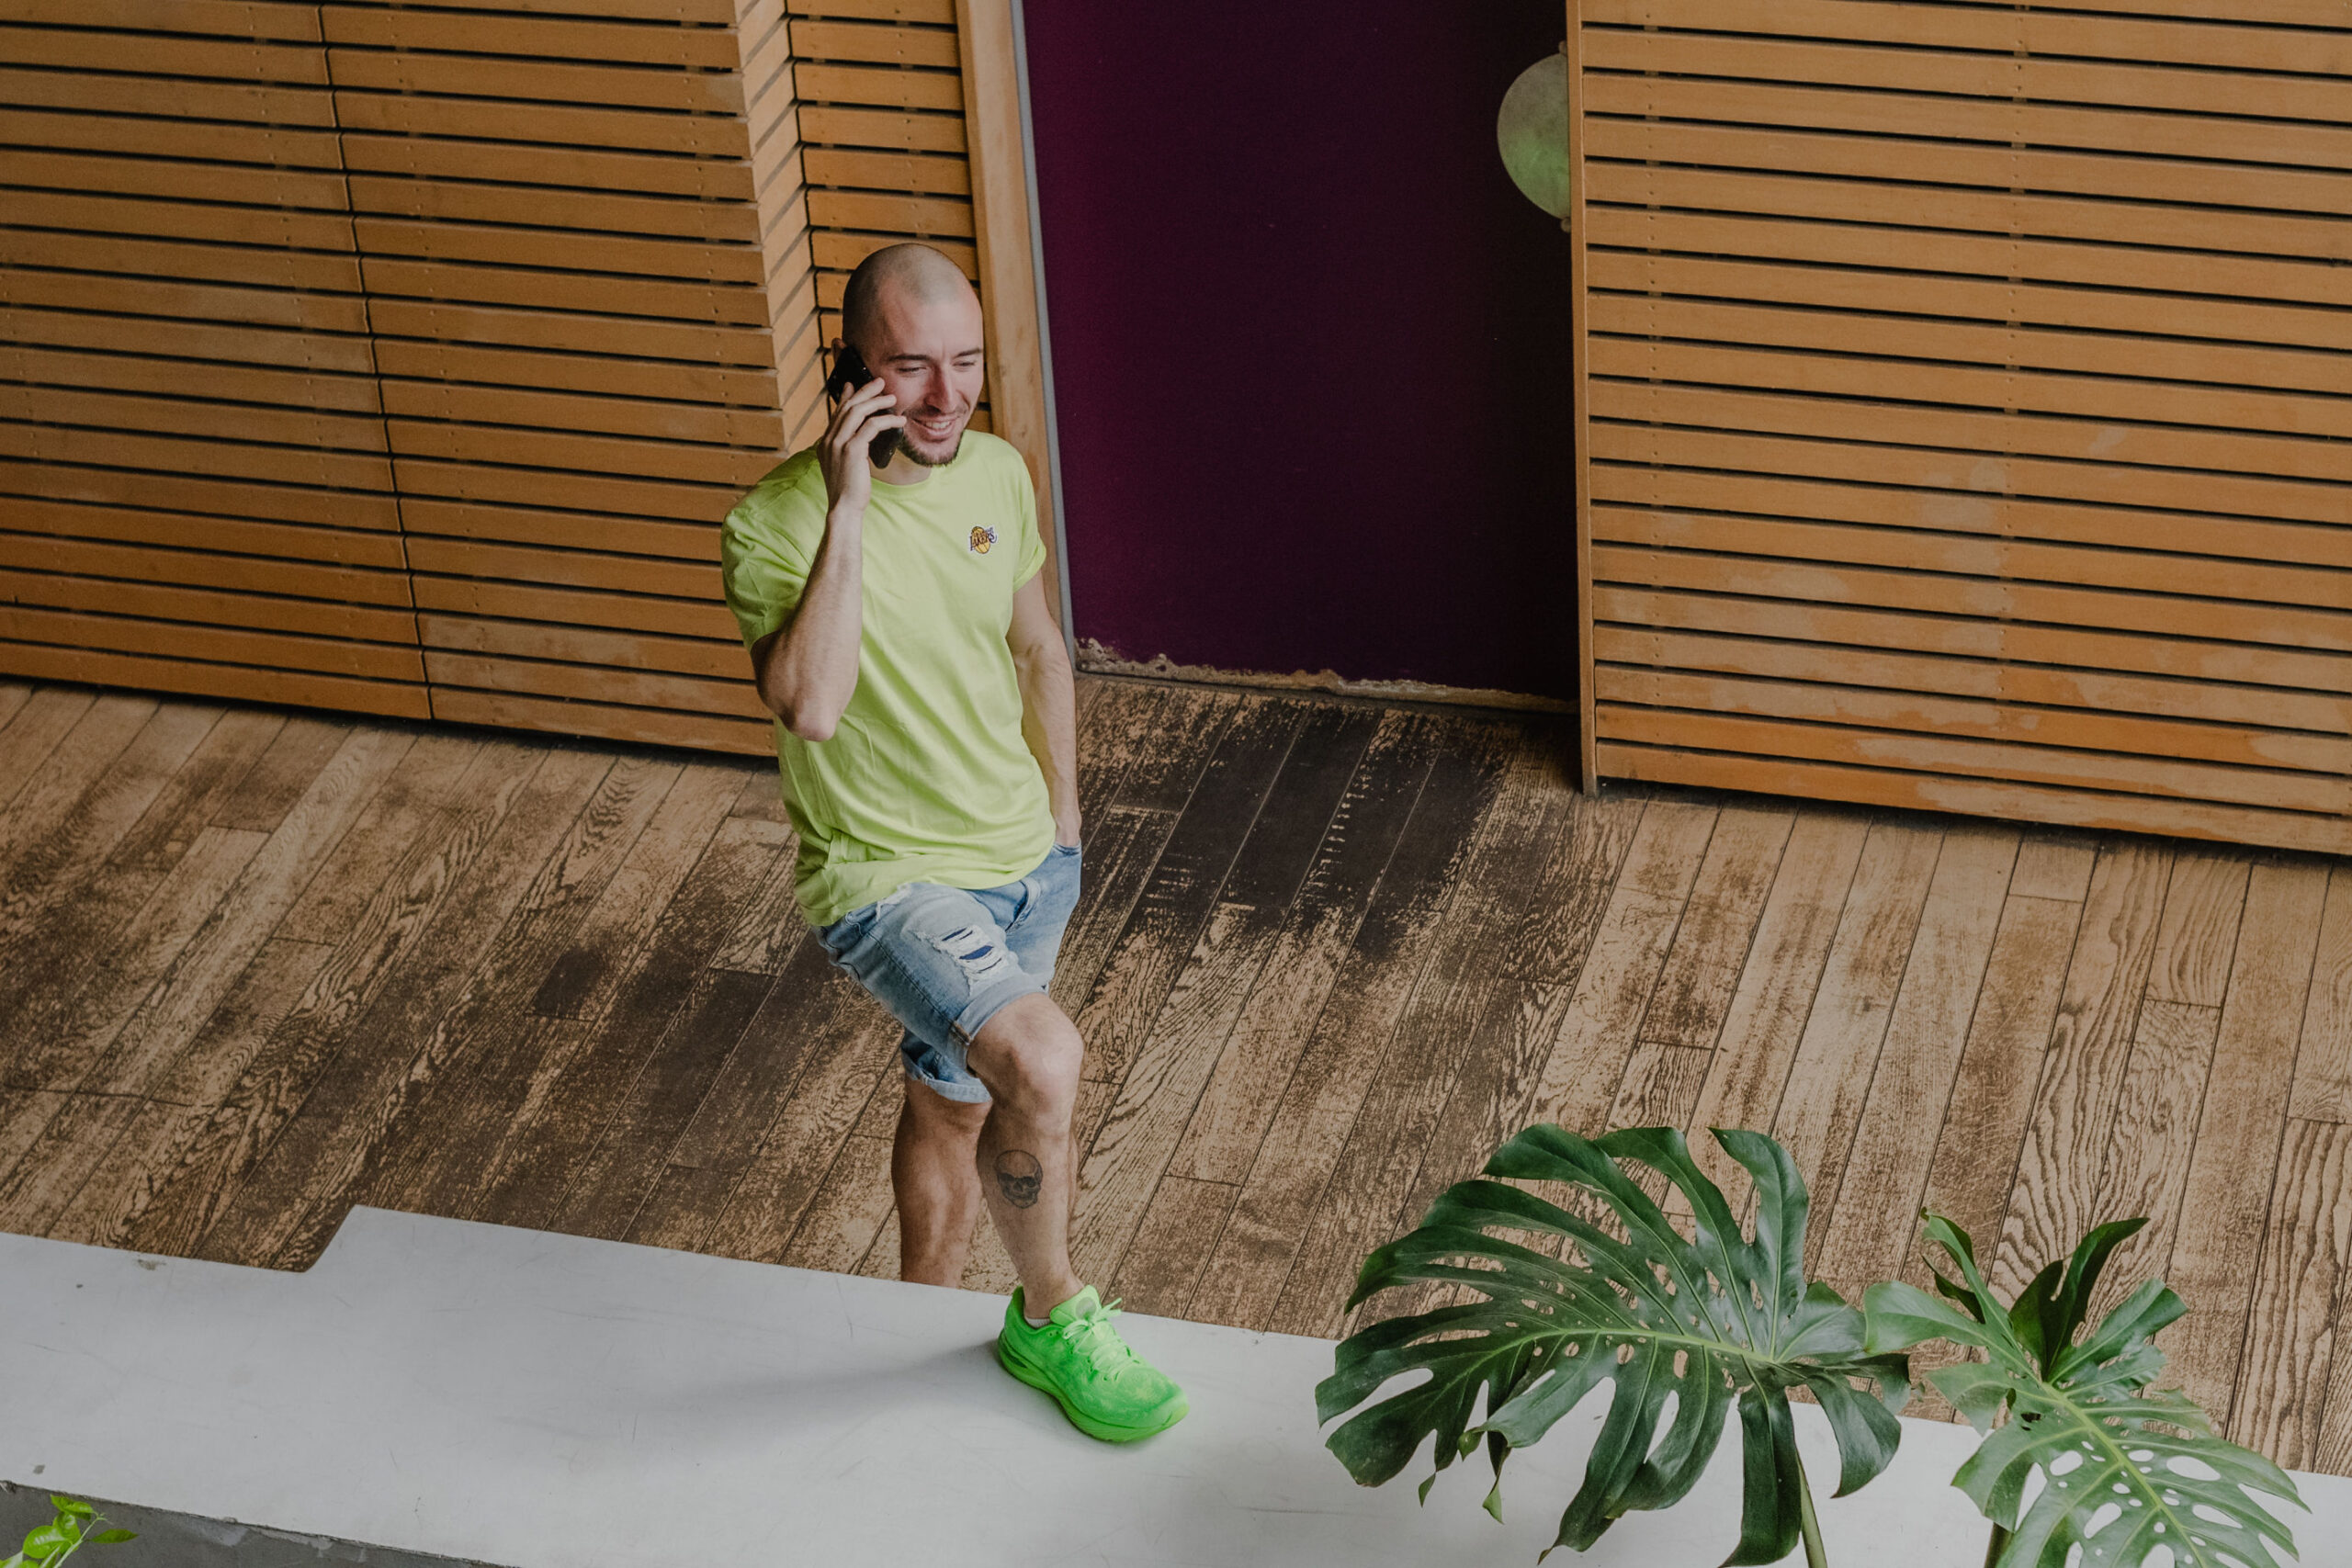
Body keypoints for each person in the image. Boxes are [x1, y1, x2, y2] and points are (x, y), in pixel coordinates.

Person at [718, 242, 1185, 1443]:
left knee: (952, 1098)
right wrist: (852, 507)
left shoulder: (998, 474)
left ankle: (909, 1326)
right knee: (1042, 1063)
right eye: (912, 368)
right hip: (887, 879)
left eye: (966, 363)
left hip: (1026, 859)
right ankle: (1053, 1314)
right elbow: (809, 705)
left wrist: (1064, 813)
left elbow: (1035, 645)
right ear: (850, 372)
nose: (946, 396)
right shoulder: (777, 525)